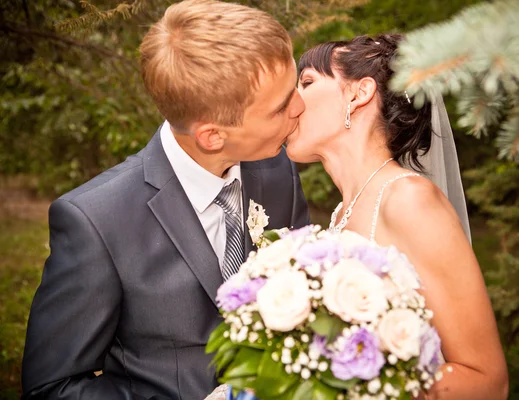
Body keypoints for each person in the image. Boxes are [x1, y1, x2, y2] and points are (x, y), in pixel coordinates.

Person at [21, 1, 309, 399]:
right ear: (212, 136)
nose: (300, 106)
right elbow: (52, 388)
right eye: (280, 107)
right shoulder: (95, 222)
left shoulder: (278, 172)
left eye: (295, 87)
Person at [285, 34, 509, 399]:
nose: (290, 100)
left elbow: (487, 380)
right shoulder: (342, 212)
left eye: (307, 82)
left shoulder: (409, 199)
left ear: (358, 94)